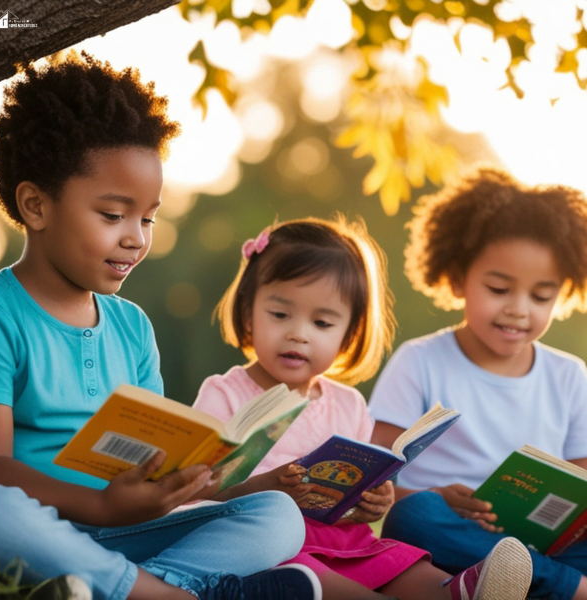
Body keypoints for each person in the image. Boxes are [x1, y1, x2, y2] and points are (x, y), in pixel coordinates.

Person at [0, 52, 321, 600]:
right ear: (35, 205)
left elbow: (154, 452)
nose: (137, 239)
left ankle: (128, 588)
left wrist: (180, 483)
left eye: (147, 218)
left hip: (128, 532)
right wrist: (98, 505)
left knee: (277, 514)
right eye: (113, 215)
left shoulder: (133, 327)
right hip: (42, 528)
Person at [192, 215, 534, 600]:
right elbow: (195, 499)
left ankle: (454, 592)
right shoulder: (224, 393)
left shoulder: (347, 403)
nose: (298, 333)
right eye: (280, 314)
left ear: (348, 332)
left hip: (342, 538)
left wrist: (375, 502)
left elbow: (353, 496)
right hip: (267, 544)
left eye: (322, 322)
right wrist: (268, 486)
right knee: (312, 575)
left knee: (406, 566)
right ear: (248, 311)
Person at [368, 166, 587, 600]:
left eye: (541, 296)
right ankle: (568, 589)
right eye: (499, 288)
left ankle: (528, 581)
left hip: (545, 542)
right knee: (413, 516)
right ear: (456, 277)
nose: (519, 310)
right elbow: (376, 480)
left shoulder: (570, 374)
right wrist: (434, 496)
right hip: (453, 536)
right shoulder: (420, 360)